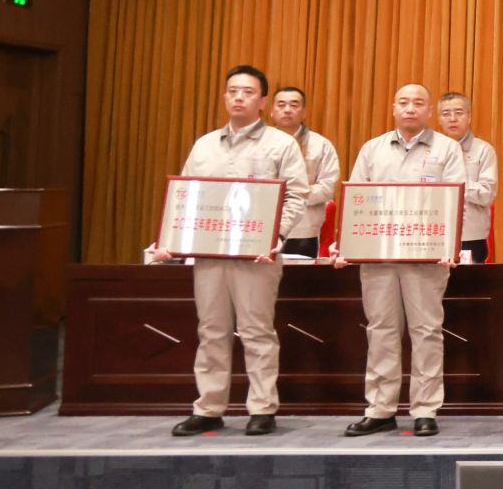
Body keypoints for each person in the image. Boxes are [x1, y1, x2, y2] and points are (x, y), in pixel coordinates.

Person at [154, 65, 308, 438]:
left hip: (257, 255)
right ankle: (208, 408)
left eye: (248, 92)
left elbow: (297, 194)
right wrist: (173, 239)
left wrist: (277, 234)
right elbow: (187, 194)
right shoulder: (205, 145)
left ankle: (262, 408)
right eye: (233, 91)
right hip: (210, 254)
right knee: (211, 330)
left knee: (256, 331)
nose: (239, 97)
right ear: (225, 96)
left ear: (263, 101)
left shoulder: (280, 144)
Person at [332, 83, 466, 438]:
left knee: (426, 331)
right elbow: (356, 200)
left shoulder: (447, 149)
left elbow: (457, 201)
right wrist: (346, 245)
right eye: (403, 102)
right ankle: (380, 408)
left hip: (426, 257)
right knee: (381, 331)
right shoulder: (372, 149)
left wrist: (449, 245)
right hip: (378, 257)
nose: (410, 108)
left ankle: (425, 409)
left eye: (418, 103)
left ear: (429, 111)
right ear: (393, 108)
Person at [269, 85, 340, 259]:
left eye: (294, 105)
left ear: (304, 112)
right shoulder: (258, 144)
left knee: (299, 275)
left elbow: (327, 187)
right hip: (265, 226)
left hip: (303, 230)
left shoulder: (321, 145)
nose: (287, 109)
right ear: (271, 111)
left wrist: (293, 194)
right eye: (281, 105)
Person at [436, 91, 498, 264]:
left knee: (468, 282)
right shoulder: (430, 150)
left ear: (469, 117)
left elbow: (487, 194)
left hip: (470, 237)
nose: (452, 118)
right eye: (446, 114)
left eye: (459, 113)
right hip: (435, 234)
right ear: (439, 119)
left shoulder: (484, 150)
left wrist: (454, 184)